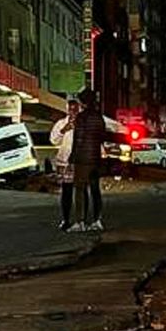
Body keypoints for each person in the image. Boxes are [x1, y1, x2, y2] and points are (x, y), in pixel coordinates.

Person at [68, 89, 108, 232]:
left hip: (83, 159)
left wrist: (72, 157)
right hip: (95, 158)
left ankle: (80, 222)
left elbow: (78, 139)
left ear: (83, 102)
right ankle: (97, 221)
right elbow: (103, 136)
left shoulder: (81, 117)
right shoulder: (99, 117)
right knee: (95, 190)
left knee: (80, 190)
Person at [49, 98, 79, 231]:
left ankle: (80, 220)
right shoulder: (61, 123)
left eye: (75, 109)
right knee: (66, 192)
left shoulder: (83, 123)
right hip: (65, 162)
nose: (72, 112)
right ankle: (66, 219)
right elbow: (53, 140)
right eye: (70, 109)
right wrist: (64, 130)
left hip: (79, 162)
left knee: (80, 192)